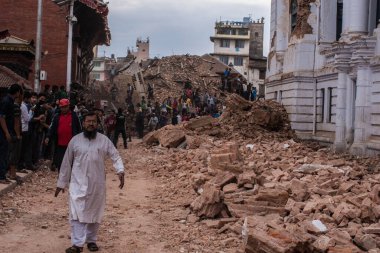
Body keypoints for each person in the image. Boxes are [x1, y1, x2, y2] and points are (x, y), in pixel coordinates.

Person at [55, 112, 125, 253]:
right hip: (77, 184)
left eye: (94, 121)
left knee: (94, 213)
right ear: (83, 123)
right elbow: (66, 163)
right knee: (76, 213)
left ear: (98, 124)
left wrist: (120, 170)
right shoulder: (75, 141)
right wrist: (61, 183)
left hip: (96, 183)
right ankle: (77, 244)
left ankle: (91, 240)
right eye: (88, 121)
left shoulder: (104, 140)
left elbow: (115, 156)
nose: (91, 124)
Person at [45, 99, 81, 172]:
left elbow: (79, 128)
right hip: (59, 144)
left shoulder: (74, 116)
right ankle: (61, 177)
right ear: (60, 107)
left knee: (71, 162)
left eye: (65, 106)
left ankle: (71, 178)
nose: (64, 108)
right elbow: (52, 128)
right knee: (60, 162)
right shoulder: (56, 117)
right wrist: (48, 137)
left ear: (68, 106)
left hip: (72, 144)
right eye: (62, 107)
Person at [0, 84, 23, 184]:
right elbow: (2, 117)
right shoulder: (7, 101)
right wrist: (6, 133)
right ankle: (1, 176)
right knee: (3, 154)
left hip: (5, 131)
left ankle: (3, 175)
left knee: (5, 154)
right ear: (17, 92)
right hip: (3, 132)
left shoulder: (9, 101)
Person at [19, 91, 34, 171]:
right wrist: (31, 111)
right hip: (24, 129)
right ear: (26, 98)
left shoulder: (22, 105)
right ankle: (21, 165)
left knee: (23, 148)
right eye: (29, 98)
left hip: (23, 128)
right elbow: (27, 119)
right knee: (23, 148)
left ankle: (21, 164)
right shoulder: (24, 106)